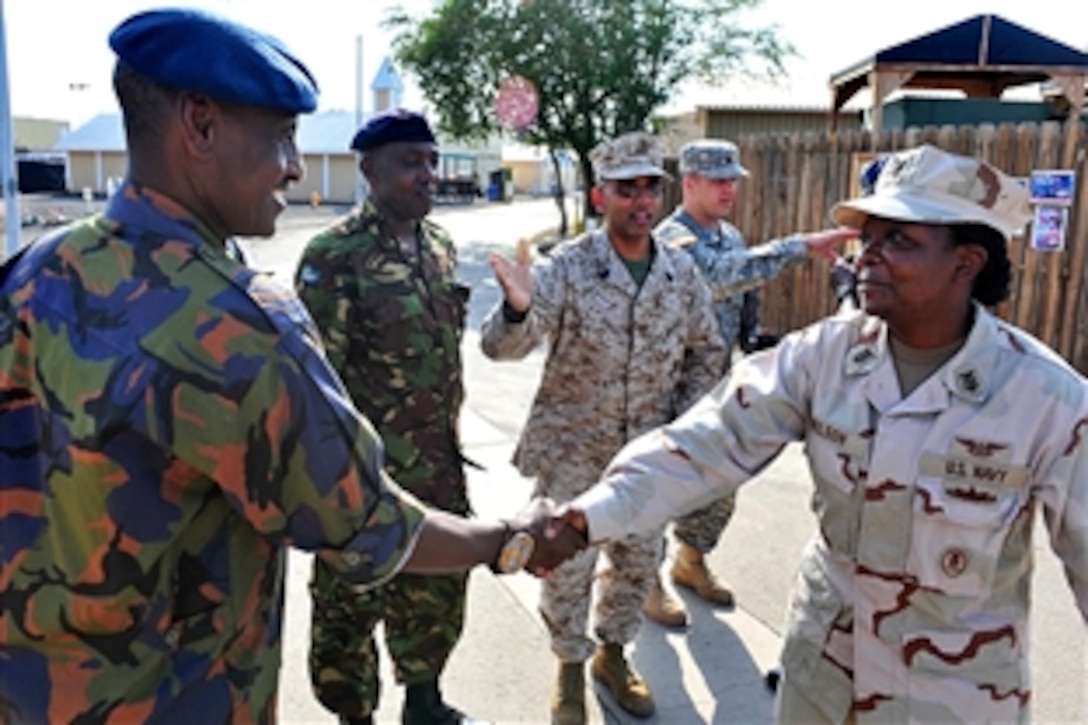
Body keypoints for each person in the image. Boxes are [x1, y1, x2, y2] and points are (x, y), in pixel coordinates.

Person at [0, 9, 581, 723]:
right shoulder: (238, 321)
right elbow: (367, 523)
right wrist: (511, 539)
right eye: (281, 135)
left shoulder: (36, 268)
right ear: (201, 125)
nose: (297, 165)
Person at [551, 144, 1088, 723]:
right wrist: (582, 519)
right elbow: (704, 443)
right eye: (869, 237)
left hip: (950, 700)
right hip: (821, 682)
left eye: (898, 241)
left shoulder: (1047, 399)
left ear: (966, 262)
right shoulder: (826, 355)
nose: (866, 257)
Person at [480, 131, 727, 723]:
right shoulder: (568, 266)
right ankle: (568, 666)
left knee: (637, 560)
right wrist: (516, 307)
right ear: (600, 197)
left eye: (650, 188)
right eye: (626, 189)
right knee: (565, 568)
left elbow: (707, 350)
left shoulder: (679, 272)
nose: (641, 201)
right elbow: (501, 347)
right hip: (572, 449)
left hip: (649, 454)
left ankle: (612, 655)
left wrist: (685, 431)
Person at [294, 110, 475, 725]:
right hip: (363, 479)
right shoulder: (335, 256)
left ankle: (425, 703)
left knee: (437, 595)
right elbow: (317, 389)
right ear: (369, 170)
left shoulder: (440, 247)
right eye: (409, 162)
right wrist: (333, 488)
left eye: (431, 160)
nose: (426, 174)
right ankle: (355, 716)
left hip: (437, 467)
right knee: (347, 609)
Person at [645, 139, 853, 627]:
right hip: (669, 390)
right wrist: (799, 245)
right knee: (661, 484)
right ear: (689, 183)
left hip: (719, 385)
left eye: (732, 179)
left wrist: (755, 340)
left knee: (722, 481)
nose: (728, 188)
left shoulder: (731, 235)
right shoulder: (672, 239)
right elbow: (719, 279)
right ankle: (645, 580)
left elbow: (743, 297)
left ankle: (690, 559)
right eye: (717, 180)